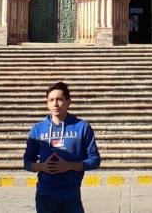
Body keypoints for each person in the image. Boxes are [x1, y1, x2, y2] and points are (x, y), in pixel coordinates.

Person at [23, 81, 101, 213]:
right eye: (51, 100)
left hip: (71, 196)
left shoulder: (82, 127)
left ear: (68, 102)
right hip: (45, 195)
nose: (55, 104)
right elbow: (27, 163)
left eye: (59, 99)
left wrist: (69, 166)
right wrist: (42, 166)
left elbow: (94, 160)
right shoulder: (37, 129)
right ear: (47, 103)